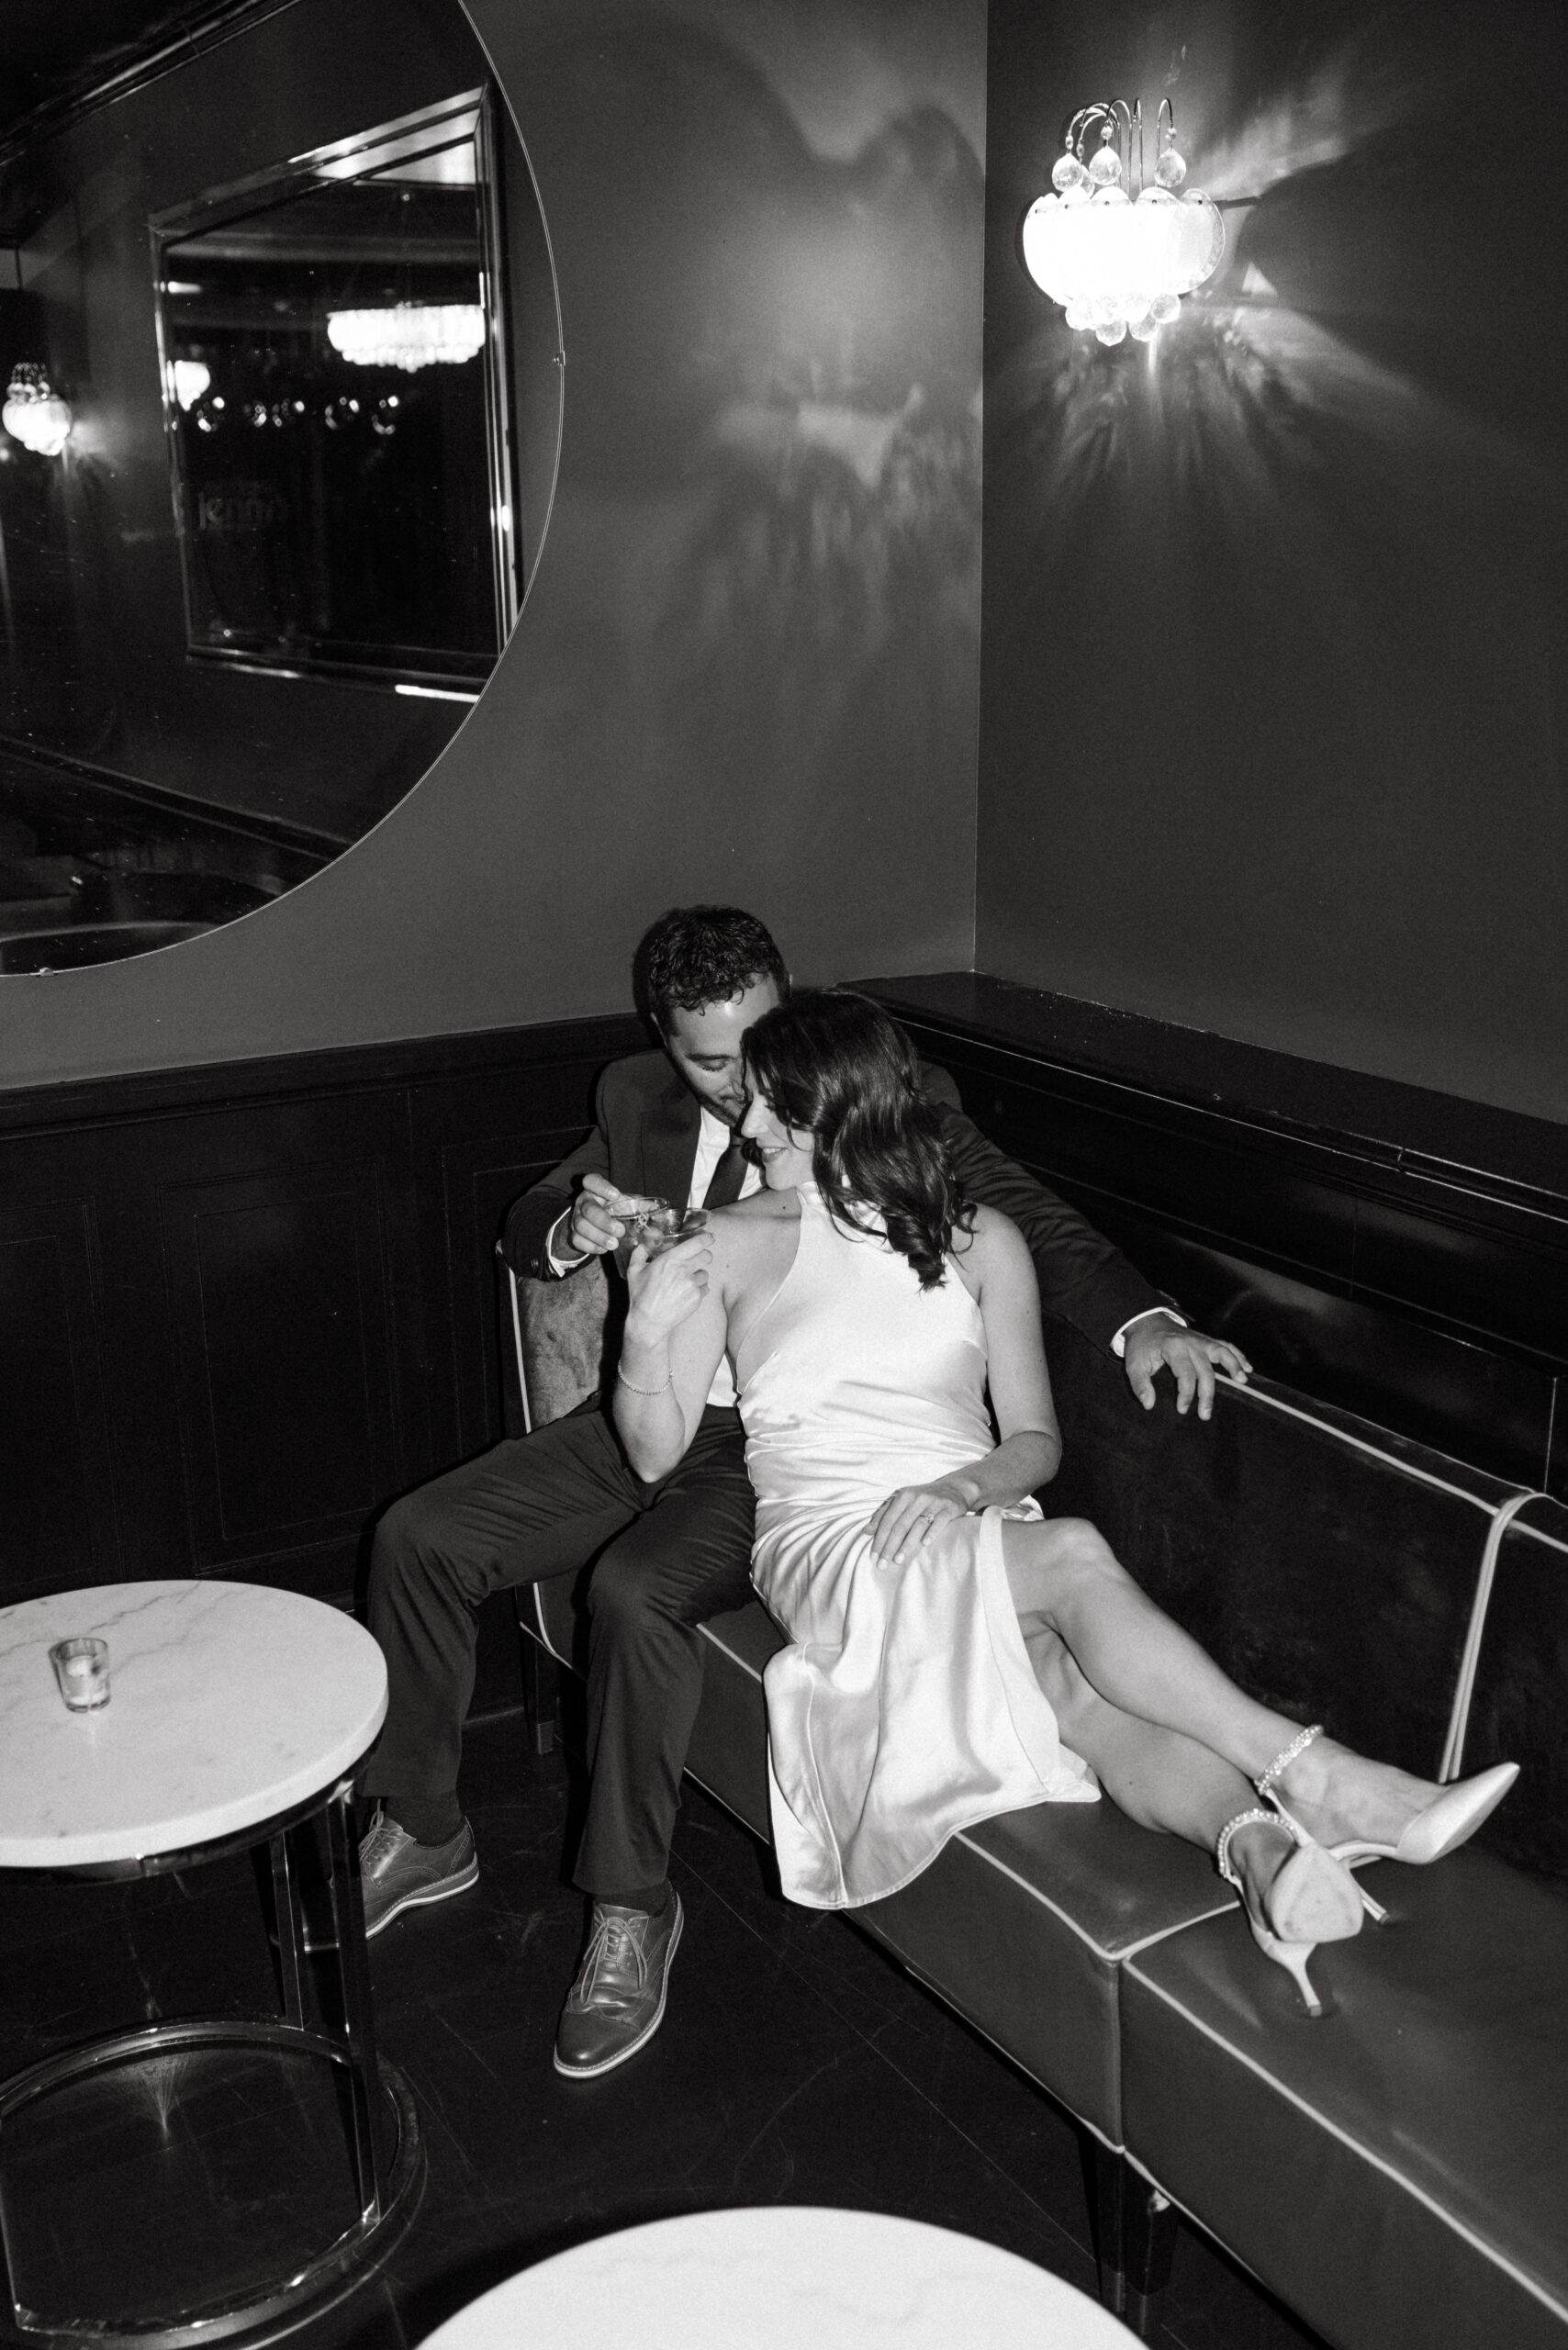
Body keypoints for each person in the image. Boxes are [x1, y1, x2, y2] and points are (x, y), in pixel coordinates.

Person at [358, 907, 1249, 2078]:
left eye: (759, 1048)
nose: (742, 1089)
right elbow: (536, 1213)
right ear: (664, 1041)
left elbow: (1010, 1210)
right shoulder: (635, 1095)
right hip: (646, 1405)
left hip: (774, 1444)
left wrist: (1142, 1317)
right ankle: (424, 1828)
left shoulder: (872, 1087)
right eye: (710, 1059)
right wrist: (574, 1230)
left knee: (635, 1591)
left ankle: (628, 1912)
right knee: (419, 1535)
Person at [611, 990, 1518, 2013]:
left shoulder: (979, 1239)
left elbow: (1034, 1442)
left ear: (842, 1112)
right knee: (1077, 1554)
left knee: (1079, 1693)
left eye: (774, 1105)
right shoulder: (722, 1241)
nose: (749, 1124)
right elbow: (651, 1456)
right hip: (833, 1539)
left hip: (970, 1517)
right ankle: (1322, 1776)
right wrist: (647, 1333)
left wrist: (964, 1483)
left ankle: (1264, 1860)